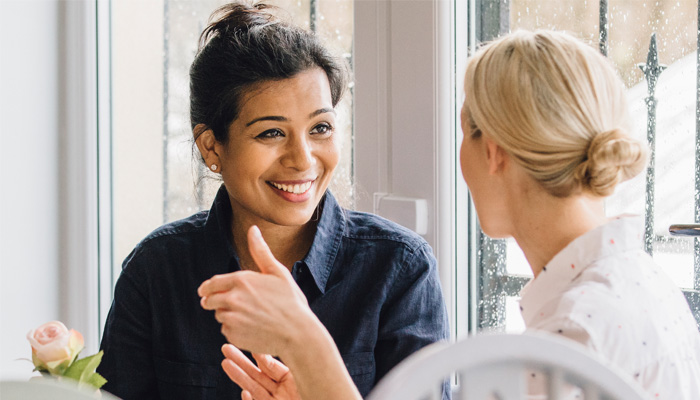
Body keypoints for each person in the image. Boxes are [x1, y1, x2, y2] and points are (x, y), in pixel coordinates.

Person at [202, 29, 700, 399]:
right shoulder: (631, 290)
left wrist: (305, 341)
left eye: (464, 130)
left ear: (495, 152)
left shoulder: (575, 334)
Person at [97, 3, 450, 399]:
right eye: (271, 133)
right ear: (211, 146)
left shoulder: (399, 269)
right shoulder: (155, 271)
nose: (303, 159)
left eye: (320, 128)